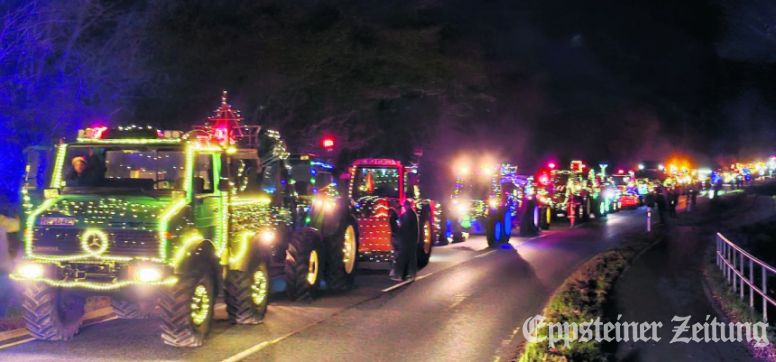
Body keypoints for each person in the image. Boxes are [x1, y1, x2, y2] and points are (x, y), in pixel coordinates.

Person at [390, 200, 418, 282]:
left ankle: (400, 275)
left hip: (407, 240)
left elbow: (402, 227)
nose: (404, 208)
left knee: (403, 257)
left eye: (404, 206)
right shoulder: (412, 214)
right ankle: (410, 274)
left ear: (407, 206)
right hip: (411, 240)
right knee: (410, 257)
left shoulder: (408, 215)